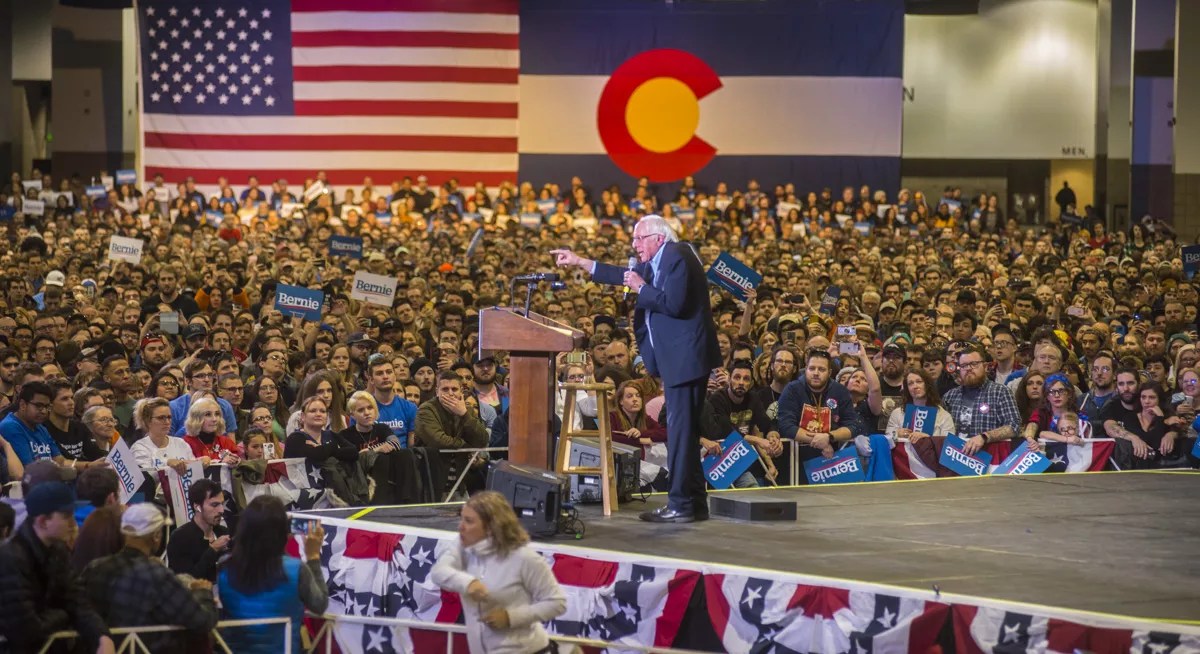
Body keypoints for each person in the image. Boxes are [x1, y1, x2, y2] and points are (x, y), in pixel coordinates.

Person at [552, 215, 721, 523]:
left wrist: (642, 288)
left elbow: (676, 304)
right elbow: (623, 274)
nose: (634, 244)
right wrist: (580, 261)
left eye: (639, 239)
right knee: (686, 430)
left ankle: (681, 504)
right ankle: (694, 502)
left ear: (658, 238)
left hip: (685, 359)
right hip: (682, 360)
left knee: (681, 432)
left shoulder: (677, 255)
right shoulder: (660, 261)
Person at [431, 491, 566, 654]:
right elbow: (439, 572)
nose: (461, 527)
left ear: (490, 527)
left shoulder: (524, 558)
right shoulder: (461, 546)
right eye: (462, 518)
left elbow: (557, 602)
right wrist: (468, 583)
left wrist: (511, 617)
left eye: (469, 521)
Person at [82, 503, 219, 652]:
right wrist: (203, 592)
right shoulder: (158, 575)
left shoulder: (95, 567)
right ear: (156, 536)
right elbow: (201, 621)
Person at [0, 482, 116, 654]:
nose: (72, 522)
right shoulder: (10, 559)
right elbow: (25, 630)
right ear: (43, 521)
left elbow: (77, 600)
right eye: (66, 516)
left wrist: (101, 636)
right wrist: (65, 614)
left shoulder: (58, 550)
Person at [217, 496, 328, 654]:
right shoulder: (296, 569)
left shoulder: (224, 568)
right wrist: (313, 556)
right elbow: (320, 605)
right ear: (282, 532)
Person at [943, 346, 1022, 455]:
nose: (969, 368)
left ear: (985, 366)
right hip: (955, 457)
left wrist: (984, 437)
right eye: (964, 365)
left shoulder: (1000, 392)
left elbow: (1014, 426)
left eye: (974, 364)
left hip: (989, 458)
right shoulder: (950, 396)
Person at [167, 478, 231, 581]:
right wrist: (213, 550)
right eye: (214, 505)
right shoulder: (180, 538)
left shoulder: (223, 532)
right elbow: (184, 581)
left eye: (221, 504)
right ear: (197, 507)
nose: (221, 510)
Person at [132, 397, 200, 475]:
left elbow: (194, 472)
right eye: (161, 418)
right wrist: (168, 464)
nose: (167, 422)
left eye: (169, 417)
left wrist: (200, 463)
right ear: (147, 421)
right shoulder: (139, 448)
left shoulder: (180, 443)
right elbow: (147, 479)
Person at [885, 369, 956, 440]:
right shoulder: (897, 413)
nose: (915, 386)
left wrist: (928, 439)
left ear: (927, 384)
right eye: (910, 383)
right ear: (907, 389)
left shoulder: (944, 416)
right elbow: (886, 441)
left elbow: (948, 444)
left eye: (919, 382)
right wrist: (896, 434)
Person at [182, 397, 241, 465]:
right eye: (208, 414)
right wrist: (220, 462)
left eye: (217, 414)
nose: (214, 419)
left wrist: (234, 462)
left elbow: (239, 463)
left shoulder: (226, 442)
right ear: (196, 418)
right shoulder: (185, 443)